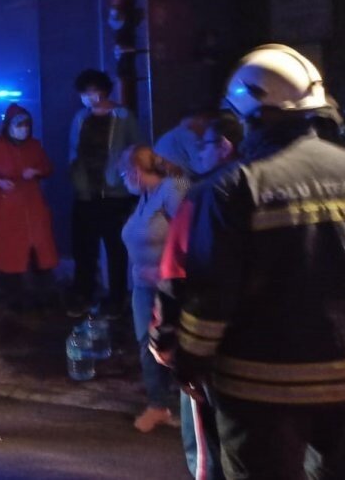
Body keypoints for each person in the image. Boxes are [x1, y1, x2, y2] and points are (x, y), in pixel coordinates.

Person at [176, 45, 345, 479]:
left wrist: (189, 360)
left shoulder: (228, 188)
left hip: (260, 388)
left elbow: (210, 297)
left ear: (247, 116)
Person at [152, 112, 244, 480]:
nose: (197, 154)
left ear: (224, 147)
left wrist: (164, 340)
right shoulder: (271, 187)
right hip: (268, 345)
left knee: (208, 449)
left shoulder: (204, 196)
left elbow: (175, 274)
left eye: (202, 146)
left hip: (206, 346)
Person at [119, 145, 190, 432]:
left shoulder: (172, 189)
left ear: (136, 172)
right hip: (143, 286)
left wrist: (163, 272)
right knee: (146, 346)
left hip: (168, 287)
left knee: (174, 346)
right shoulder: (146, 196)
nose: (124, 181)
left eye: (124, 174)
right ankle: (158, 405)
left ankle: (192, 408)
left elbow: (188, 238)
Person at [68, 69, 142, 318]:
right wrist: (75, 177)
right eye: (84, 93)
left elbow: (136, 148)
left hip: (115, 194)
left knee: (115, 249)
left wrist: (129, 183)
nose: (88, 97)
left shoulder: (123, 116)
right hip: (85, 193)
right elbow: (73, 150)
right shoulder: (80, 117)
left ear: (104, 91)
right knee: (83, 249)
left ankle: (116, 298)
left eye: (92, 92)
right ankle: (84, 294)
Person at [0, 105, 58, 309]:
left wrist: (36, 171)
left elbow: (47, 167)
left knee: (39, 251)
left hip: (32, 204)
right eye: (19, 125)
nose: (24, 129)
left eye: (27, 125)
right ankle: (14, 297)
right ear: (9, 126)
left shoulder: (34, 146)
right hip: (7, 206)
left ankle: (43, 296)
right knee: (10, 253)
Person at [154, 108, 215, 177]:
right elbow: (201, 168)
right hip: (175, 179)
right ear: (198, 120)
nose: (206, 127)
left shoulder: (172, 134)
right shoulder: (186, 134)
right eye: (206, 122)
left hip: (164, 178)